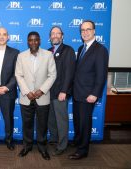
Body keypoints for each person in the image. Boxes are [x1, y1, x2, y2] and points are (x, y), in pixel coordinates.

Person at [69, 20, 109, 160]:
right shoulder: (81, 48)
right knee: (78, 121)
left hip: (88, 95)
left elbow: (101, 75)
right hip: (77, 93)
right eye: (82, 30)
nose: (85, 32)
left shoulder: (100, 50)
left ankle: (82, 150)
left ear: (94, 31)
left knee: (85, 123)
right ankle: (79, 141)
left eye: (88, 29)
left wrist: (95, 94)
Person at [15, 31, 56, 160]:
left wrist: (41, 90)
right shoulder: (21, 56)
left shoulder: (49, 55)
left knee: (42, 124)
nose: (33, 42)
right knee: (27, 124)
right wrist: (27, 92)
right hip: (26, 97)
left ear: (40, 41)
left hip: (42, 97)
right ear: (27, 41)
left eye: (36, 40)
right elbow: (18, 75)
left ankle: (42, 148)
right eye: (31, 40)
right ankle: (27, 146)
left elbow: (52, 75)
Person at [47, 26, 76, 155]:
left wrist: (64, 91)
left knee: (61, 120)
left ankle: (62, 145)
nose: (55, 36)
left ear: (62, 36)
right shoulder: (48, 52)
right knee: (51, 118)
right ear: (50, 37)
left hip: (60, 93)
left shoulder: (68, 50)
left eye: (58, 33)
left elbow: (70, 73)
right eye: (53, 33)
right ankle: (54, 138)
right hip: (49, 92)